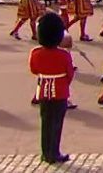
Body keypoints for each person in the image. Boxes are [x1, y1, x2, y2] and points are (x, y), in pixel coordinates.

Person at [30, 11, 75, 164]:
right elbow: (69, 74)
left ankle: (45, 153)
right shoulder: (63, 55)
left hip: (43, 90)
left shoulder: (36, 53)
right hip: (60, 91)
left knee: (46, 122)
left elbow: (34, 70)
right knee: (56, 123)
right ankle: (54, 153)